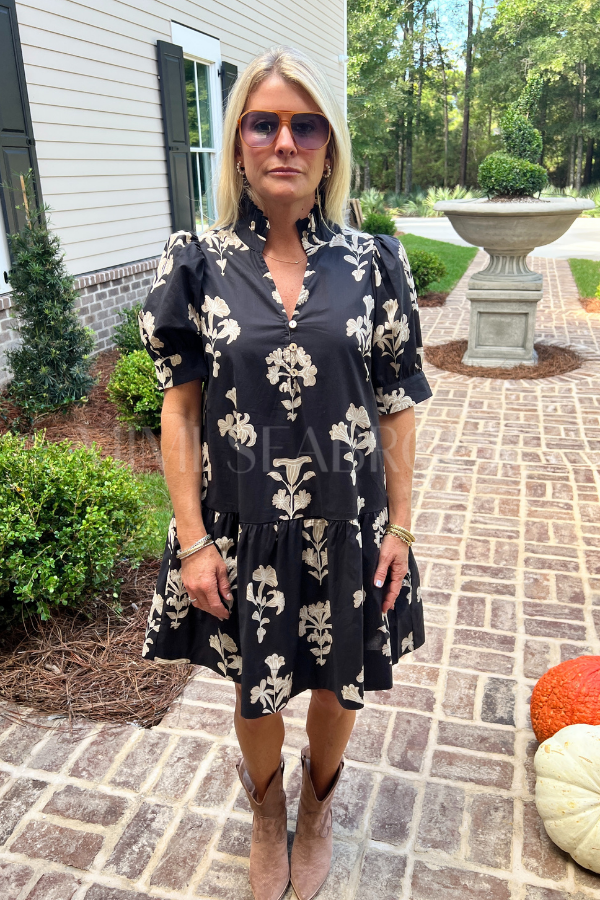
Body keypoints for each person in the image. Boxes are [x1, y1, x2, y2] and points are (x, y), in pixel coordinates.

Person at [139, 45, 431, 900]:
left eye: (306, 127)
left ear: (329, 149)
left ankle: (320, 801)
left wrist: (402, 527)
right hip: (244, 528)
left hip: (351, 525)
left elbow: (397, 404)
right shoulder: (195, 262)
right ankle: (268, 813)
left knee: (340, 687)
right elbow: (181, 410)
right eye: (263, 124)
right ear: (238, 143)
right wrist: (193, 539)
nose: (284, 143)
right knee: (256, 692)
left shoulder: (375, 262)